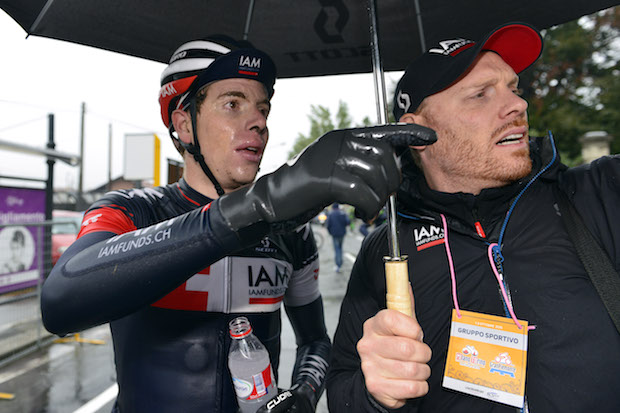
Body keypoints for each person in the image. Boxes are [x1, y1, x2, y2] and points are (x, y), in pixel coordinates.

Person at [39, 36, 418, 413]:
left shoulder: (292, 232)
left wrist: (303, 394)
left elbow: (315, 340)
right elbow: (59, 302)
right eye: (233, 104)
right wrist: (254, 207)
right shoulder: (134, 210)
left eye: (263, 109)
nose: (258, 123)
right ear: (185, 126)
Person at [326, 22, 620, 412]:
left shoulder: (597, 193)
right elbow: (341, 389)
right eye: (480, 95)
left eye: (513, 88)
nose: (518, 105)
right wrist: (376, 395)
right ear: (416, 134)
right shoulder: (387, 250)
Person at [325, 203, 350, 273]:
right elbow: (347, 222)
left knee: (337, 249)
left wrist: (330, 232)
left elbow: (328, 225)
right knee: (340, 248)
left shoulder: (331, 214)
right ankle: (340, 262)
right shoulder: (343, 213)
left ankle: (338, 265)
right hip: (342, 233)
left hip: (335, 234)